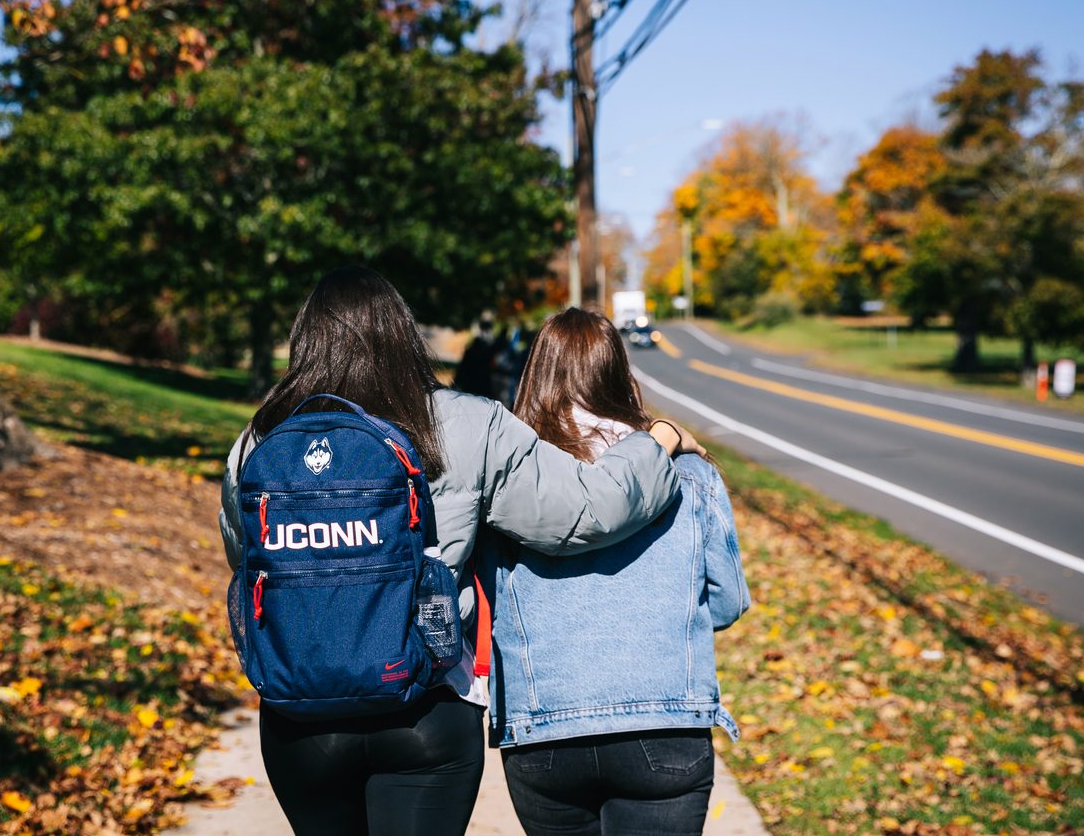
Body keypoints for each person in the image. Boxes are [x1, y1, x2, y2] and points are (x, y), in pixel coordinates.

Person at [219, 268, 703, 836]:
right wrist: (658, 438)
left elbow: (245, 558)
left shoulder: (261, 440)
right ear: (402, 335)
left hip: (298, 713)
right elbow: (588, 512)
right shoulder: (468, 423)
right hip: (426, 708)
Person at [487, 307, 750, 836]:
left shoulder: (509, 481)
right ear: (619, 373)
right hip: (663, 724)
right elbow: (725, 603)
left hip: (544, 729)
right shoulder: (688, 472)